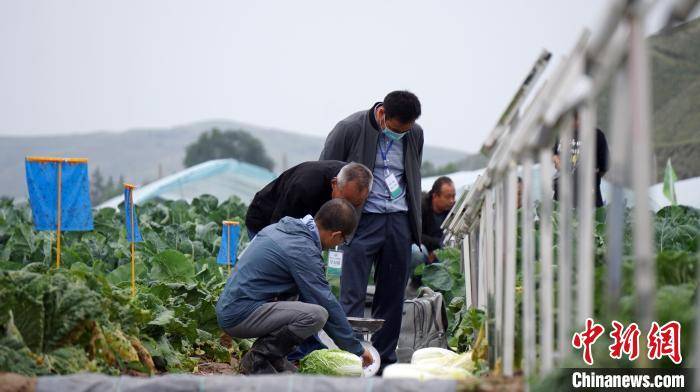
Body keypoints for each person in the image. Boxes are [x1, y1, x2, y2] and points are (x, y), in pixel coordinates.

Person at [319, 90, 423, 371]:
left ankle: (384, 361)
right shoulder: (350, 129)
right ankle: (350, 359)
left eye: (407, 129)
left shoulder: (415, 134)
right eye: (397, 129)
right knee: (352, 294)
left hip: (398, 219)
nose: (402, 134)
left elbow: (412, 174)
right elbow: (325, 169)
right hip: (361, 220)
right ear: (382, 115)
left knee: (392, 296)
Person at [216, 199, 373, 374]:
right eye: (342, 240)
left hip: (232, 307)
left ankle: (273, 358)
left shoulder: (282, 228)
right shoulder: (301, 249)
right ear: (335, 235)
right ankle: (258, 359)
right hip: (240, 315)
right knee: (316, 315)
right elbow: (325, 301)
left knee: (296, 297)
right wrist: (356, 348)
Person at [245, 161, 373, 239]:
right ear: (334, 183)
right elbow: (278, 230)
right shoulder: (306, 186)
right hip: (266, 219)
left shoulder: (352, 179)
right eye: (345, 201)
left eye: (355, 205)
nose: (348, 208)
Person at [552, 110, 610, 207]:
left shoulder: (596, 136)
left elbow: (604, 166)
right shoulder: (562, 134)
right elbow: (554, 154)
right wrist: (557, 161)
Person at [419, 176, 456, 263]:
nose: (452, 201)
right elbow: (415, 235)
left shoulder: (454, 209)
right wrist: (438, 244)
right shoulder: (420, 208)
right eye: (447, 197)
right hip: (424, 249)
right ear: (435, 196)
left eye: (453, 196)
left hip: (441, 250)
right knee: (417, 252)